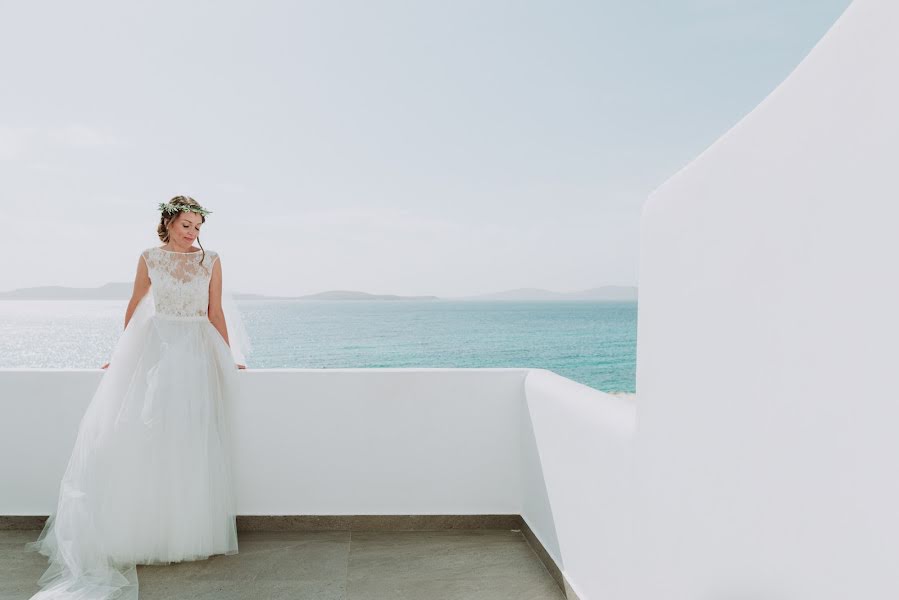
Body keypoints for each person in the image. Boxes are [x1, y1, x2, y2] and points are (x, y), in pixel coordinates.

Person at [24, 196, 252, 600]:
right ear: (168, 223)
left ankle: (185, 531)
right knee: (148, 433)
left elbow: (215, 312)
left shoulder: (211, 260)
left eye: (198, 227)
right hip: (159, 349)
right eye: (187, 225)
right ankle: (150, 531)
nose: (193, 233)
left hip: (197, 350)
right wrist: (120, 356)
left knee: (191, 437)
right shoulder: (149, 258)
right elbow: (135, 306)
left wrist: (227, 356)